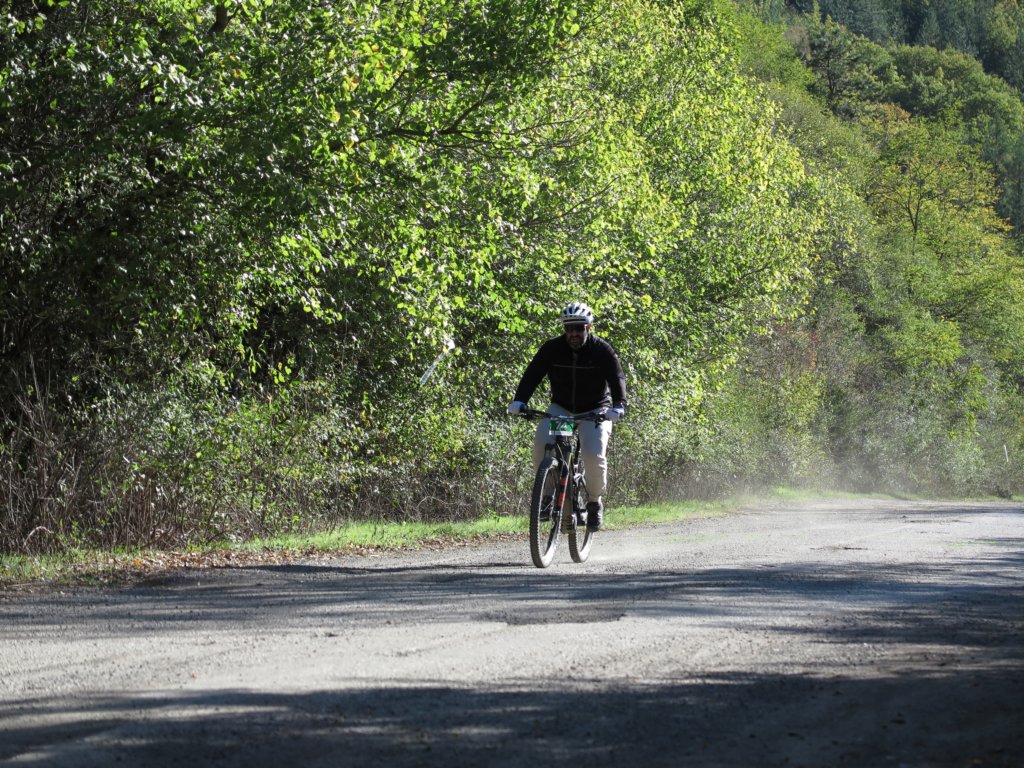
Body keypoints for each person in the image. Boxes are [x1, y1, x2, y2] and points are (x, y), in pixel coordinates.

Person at [507, 301, 627, 531]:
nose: (573, 333)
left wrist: (619, 405)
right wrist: (520, 400)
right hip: (563, 410)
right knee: (542, 444)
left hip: (595, 412)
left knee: (593, 456)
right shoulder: (552, 348)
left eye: (578, 328)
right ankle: (547, 495)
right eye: (569, 328)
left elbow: (617, 378)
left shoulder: (601, 350)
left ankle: (594, 502)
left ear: (588, 327)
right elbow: (533, 374)